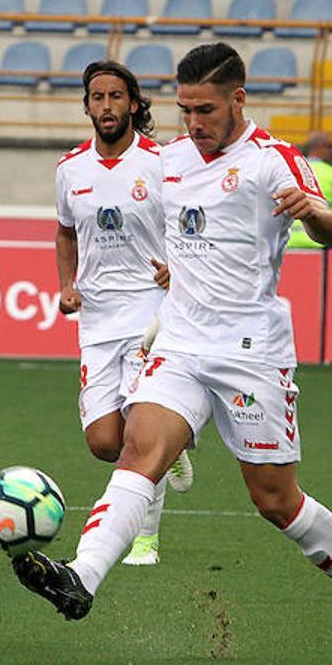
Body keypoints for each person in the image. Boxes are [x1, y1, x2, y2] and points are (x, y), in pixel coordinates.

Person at [11, 42, 332, 665]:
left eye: (206, 110)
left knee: (276, 500)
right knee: (138, 449)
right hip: (182, 342)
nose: (193, 123)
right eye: (185, 110)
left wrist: (315, 214)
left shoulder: (273, 160)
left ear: (237, 100)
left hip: (251, 351)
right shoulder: (168, 161)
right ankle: (82, 576)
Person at [54, 60, 194, 568]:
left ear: (133, 103)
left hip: (150, 314)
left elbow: (189, 223)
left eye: (115, 96)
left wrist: (179, 268)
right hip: (97, 319)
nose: (106, 106)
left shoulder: (161, 161)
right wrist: (66, 285)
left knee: (138, 434)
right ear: (87, 106)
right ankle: (168, 450)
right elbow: (65, 232)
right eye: (97, 97)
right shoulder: (71, 169)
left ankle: (145, 541)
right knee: (103, 441)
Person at [287, 129, 332, 248]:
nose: (331, 151)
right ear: (320, 147)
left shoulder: (291, 168)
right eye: (330, 146)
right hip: (320, 241)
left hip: (290, 241)